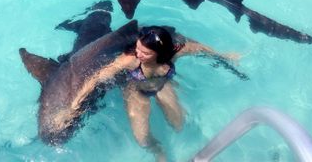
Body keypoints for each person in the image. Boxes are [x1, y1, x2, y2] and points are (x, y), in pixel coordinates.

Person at [93, 25, 239, 162]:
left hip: (163, 85)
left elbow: (199, 48)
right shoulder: (130, 60)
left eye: (145, 52)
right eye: (138, 48)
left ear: (160, 53)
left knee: (178, 124)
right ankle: (158, 151)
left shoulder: (173, 53)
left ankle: (190, 149)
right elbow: (95, 79)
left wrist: (225, 56)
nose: (138, 54)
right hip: (136, 91)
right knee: (142, 139)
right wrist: (75, 103)